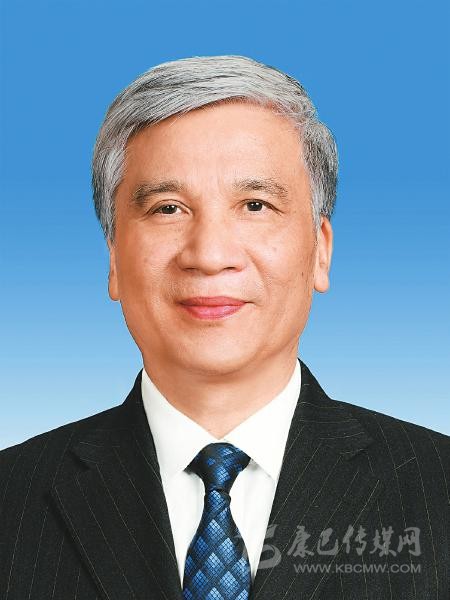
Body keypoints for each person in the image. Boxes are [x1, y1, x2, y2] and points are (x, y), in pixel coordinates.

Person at [0, 55, 448, 600]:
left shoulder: (437, 488)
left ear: (321, 250)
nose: (210, 255)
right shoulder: (11, 498)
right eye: (168, 209)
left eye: (255, 205)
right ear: (113, 258)